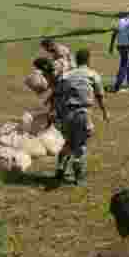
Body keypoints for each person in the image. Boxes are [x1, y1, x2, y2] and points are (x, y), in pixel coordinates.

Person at [53, 48, 110, 185]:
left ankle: (60, 169)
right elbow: (100, 96)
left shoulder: (67, 75)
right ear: (88, 60)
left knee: (67, 142)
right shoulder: (92, 75)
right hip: (82, 114)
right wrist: (105, 112)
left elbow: (57, 95)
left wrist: (57, 115)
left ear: (77, 60)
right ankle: (79, 177)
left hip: (66, 114)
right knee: (80, 146)